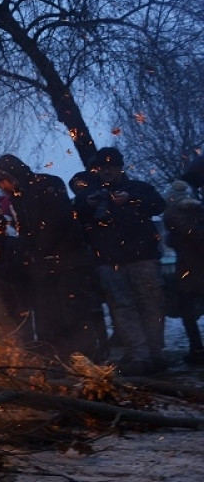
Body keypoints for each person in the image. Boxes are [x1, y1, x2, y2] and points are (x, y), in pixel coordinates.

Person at [0, 154, 107, 362]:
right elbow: (24, 231)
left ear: (12, 174)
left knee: (74, 314)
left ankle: (85, 360)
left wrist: (37, 248)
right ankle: (56, 360)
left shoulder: (48, 184)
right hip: (42, 268)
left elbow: (57, 221)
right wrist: (24, 251)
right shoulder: (17, 198)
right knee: (49, 317)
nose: (1, 186)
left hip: (68, 263)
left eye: (2, 181)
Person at [74, 147, 167, 375]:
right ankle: (139, 356)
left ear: (119, 168)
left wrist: (131, 200)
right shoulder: (89, 194)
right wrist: (90, 205)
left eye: (111, 166)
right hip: (109, 262)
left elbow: (159, 205)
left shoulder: (138, 188)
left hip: (143, 260)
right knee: (123, 309)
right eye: (102, 167)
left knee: (151, 306)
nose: (107, 171)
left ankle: (155, 354)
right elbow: (74, 215)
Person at [161, 180, 204, 365]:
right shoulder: (199, 211)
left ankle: (197, 349)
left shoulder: (172, 215)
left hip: (188, 268)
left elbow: (181, 237)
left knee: (187, 311)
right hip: (194, 267)